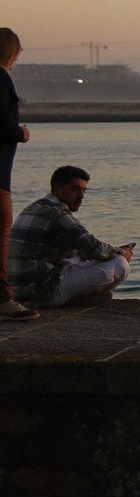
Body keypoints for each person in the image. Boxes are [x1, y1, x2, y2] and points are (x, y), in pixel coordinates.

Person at [9, 166, 134, 309]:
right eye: (75, 189)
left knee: (80, 256)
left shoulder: (35, 207)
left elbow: (81, 249)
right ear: (57, 189)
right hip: (43, 293)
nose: (81, 196)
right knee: (120, 264)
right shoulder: (57, 213)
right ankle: (79, 299)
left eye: (83, 190)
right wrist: (122, 253)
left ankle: (80, 299)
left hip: (20, 292)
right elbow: (94, 248)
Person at [0, 28, 38, 320]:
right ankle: (3, 300)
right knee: (2, 233)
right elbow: (1, 124)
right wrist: (20, 132)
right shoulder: (1, 79)